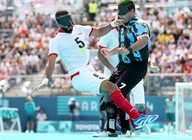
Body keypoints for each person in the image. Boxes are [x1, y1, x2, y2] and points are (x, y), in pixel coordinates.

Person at [33, 9, 158, 130]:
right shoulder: (56, 40)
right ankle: (136, 117)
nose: (70, 26)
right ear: (58, 24)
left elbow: (99, 31)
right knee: (111, 87)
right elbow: (51, 63)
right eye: (66, 24)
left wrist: (113, 23)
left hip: (89, 70)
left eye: (70, 22)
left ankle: (110, 128)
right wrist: (45, 79)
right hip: (79, 75)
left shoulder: (78, 28)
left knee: (116, 88)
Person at [96, 0, 159, 136]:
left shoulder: (140, 24)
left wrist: (129, 49)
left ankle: (135, 121)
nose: (121, 16)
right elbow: (121, 48)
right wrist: (110, 52)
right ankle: (111, 129)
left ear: (132, 11)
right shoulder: (123, 26)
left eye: (124, 13)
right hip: (122, 66)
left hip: (136, 67)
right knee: (108, 91)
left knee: (118, 93)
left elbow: (144, 41)